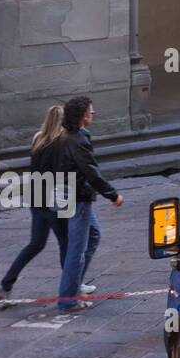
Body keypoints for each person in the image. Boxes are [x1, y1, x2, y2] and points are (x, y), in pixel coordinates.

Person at [46, 96, 123, 313]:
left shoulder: (66, 136)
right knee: (76, 251)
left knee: (94, 234)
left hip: (67, 195)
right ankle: (67, 300)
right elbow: (91, 172)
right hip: (77, 199)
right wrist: (112, 194)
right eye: (91, 112)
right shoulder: (77, 140)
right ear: (83, 116)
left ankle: (74, 285)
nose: (92, 115)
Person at [0, 106, 71, 302]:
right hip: (52, 201)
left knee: (35, 244)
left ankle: (5, 285)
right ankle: (72, 285)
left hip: (36, 199)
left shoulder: (38, 138)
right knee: (66, 244)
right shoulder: (61, 143)